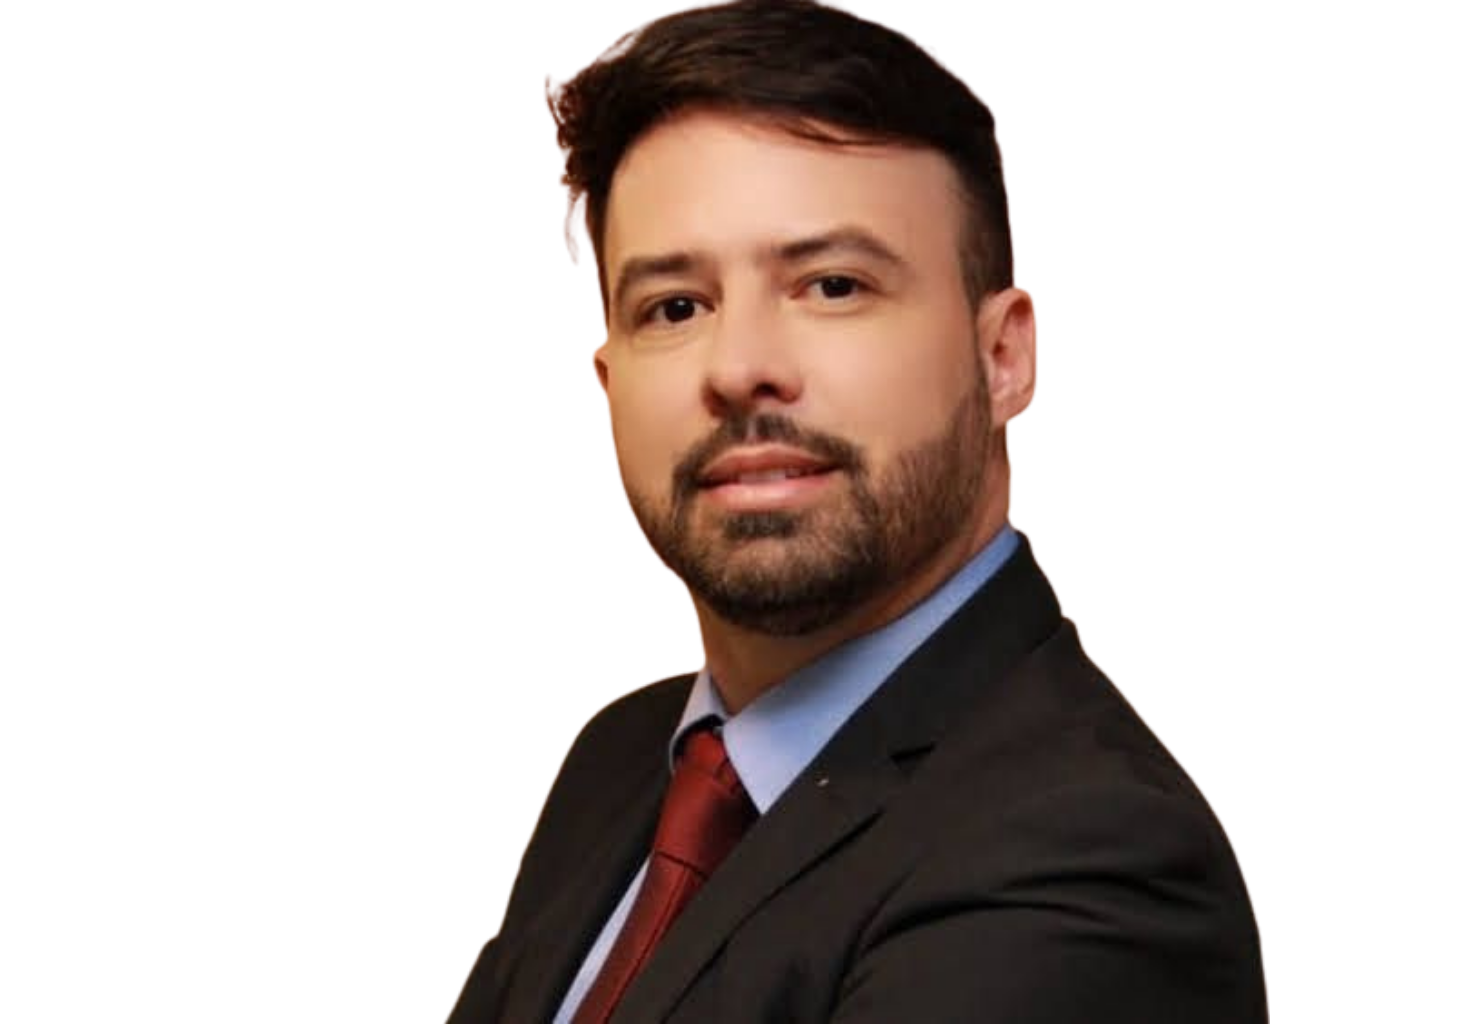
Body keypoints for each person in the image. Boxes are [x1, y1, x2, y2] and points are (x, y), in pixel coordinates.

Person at [448, 1, 1265, 1020]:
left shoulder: (1091, 861)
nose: (740, 367)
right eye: (675, 306)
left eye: (833, 285)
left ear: (1003, 357)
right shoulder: (621, 759)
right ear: (609, 385)